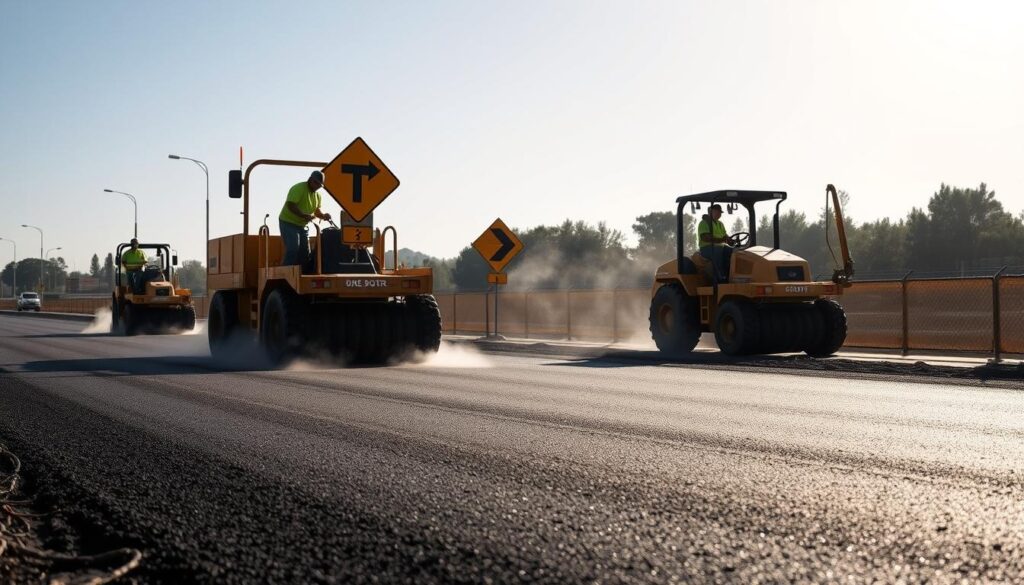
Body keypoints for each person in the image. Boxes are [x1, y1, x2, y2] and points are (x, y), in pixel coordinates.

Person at [279, 171, 332, 266]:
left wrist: (324, 216)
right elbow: (290, 205)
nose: (317, 186)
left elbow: (317, 211)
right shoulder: (298, 188)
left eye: (320, 185)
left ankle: (302, 274)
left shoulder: (317, 196)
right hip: (288, 223)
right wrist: (303, 215)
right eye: (316, 183)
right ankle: (285, 271)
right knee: (293, 248)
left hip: (302, 226)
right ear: (310, 179)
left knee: (305, 252)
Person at [698, 204, 734, 281]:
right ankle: (720, 277)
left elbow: (725, 236)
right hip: (706, 248)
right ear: (711, 211)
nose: (719, 214)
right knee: (718, 251)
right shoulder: (704, 223)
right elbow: (705, 238)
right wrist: (721, 240)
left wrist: (730, 241)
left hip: (720, 247)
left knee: (733, 251)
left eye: (720, 212)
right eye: (717, 212)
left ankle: (731, 274)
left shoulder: (720, 224)